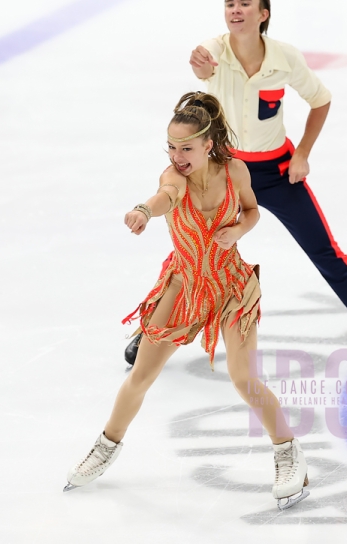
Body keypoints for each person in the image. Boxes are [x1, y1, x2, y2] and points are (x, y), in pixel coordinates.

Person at [125, 0, 347, 392]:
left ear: (263, 14)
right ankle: (151, 333)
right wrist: (200, 66)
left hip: (276, 172)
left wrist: (303, 152)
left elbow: (320, 99)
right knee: (188, 255)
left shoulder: (285, 58)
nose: (235, 9)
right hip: (225, 173)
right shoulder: (214, 50)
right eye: (229, 3)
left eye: (245, 3)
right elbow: (203, 60)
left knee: (329, 257)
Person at [64, 92, 309, 511]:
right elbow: (165, 196)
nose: (177, 156)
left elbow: (252, 212)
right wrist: (143, 210)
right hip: (183, 287)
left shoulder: (236, 171)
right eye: (172, 147)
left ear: (208, 144)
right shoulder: (173, 176)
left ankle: (289, 454)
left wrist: (238, 233)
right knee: (140, 376)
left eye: (186, 148)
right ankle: (106, 446)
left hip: (230, 285)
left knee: (243, 377)